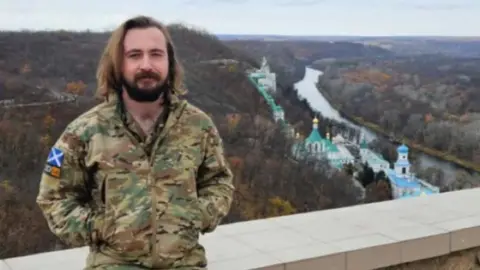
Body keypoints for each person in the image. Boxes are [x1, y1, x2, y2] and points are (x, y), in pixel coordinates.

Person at [36, 15, 235, 270]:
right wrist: (101, 226)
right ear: (118, 64)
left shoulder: (198, 126)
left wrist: (197, 215)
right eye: (134, 55)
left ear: (169, 62)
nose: (146, 64)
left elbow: (219, 181)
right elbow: (54, 198)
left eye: (156, 54)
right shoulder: (84, 132)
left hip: (185, 263)